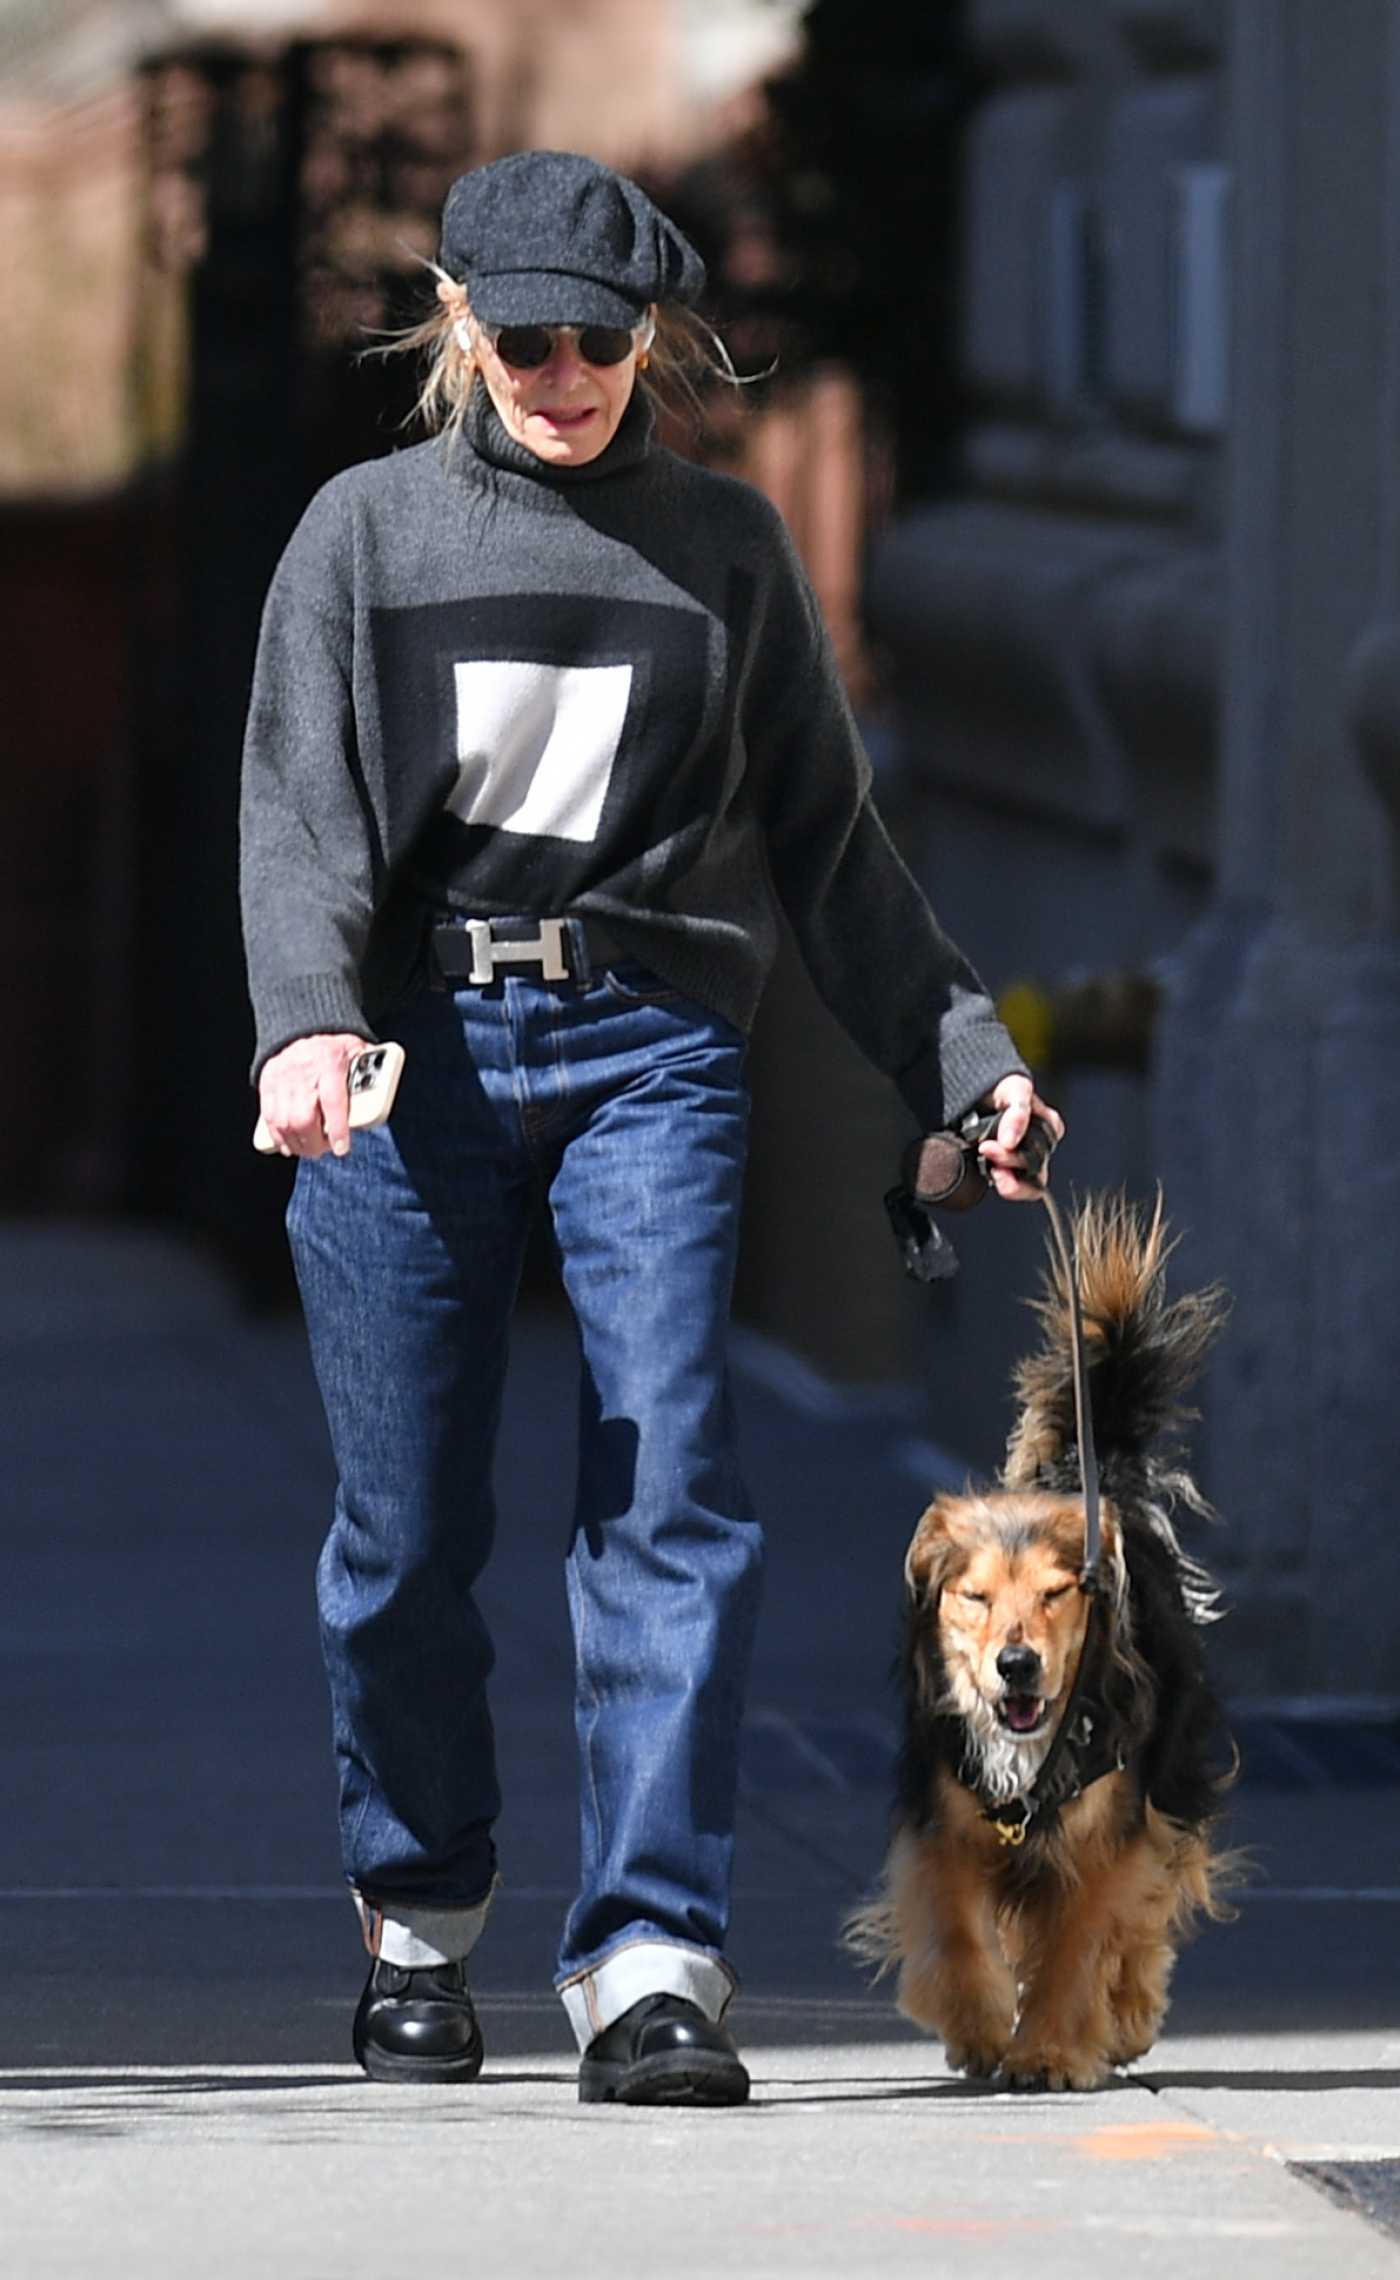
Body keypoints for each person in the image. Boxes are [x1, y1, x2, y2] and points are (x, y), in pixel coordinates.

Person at [240, 148, 1063, 2107]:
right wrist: (306, 1026)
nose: (562, 372)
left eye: (598, 340)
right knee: (405, 1533)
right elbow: (295, 819)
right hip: (406, 1055)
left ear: (647, 339)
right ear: (458, 324)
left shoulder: (725, 544)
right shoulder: (363, 539)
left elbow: (828, 843)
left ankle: (651, 1960)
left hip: (649, 1053)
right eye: (522, 338)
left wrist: (964, 1053)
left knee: (671, 1490)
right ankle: (421, 1917)